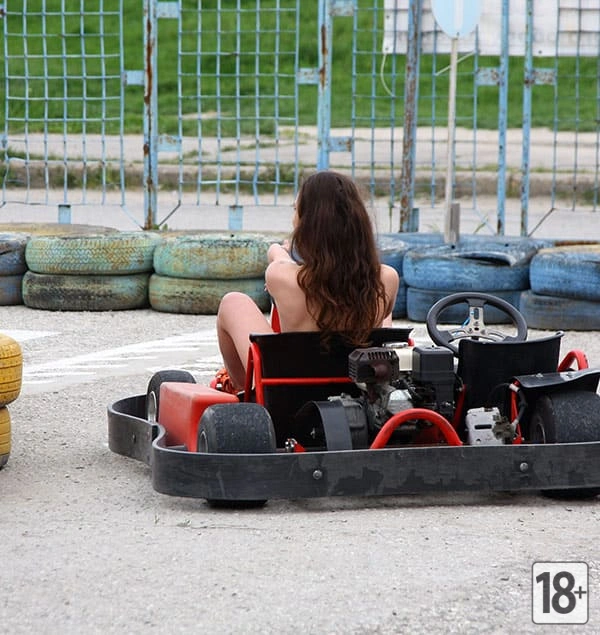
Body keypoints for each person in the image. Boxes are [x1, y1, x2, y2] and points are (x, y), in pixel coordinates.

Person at [215, 170, 399, 392]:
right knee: (381, 307)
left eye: (296, 210)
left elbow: (280, 260)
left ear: (309, 224)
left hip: (290, 394)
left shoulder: (282, 277)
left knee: (233, 302)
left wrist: (277, 249)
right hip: (360, 392)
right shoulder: (387, 278)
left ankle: (241, 388)